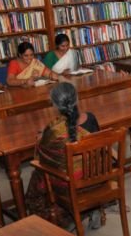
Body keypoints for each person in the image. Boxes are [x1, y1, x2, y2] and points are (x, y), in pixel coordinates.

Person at [25, 82, 101, 228]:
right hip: (95, 179)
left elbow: (42, 157)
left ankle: (66, 219)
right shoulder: (91, 118)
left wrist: (42, 137)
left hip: (69, 186)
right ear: (77, 99)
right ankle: (91, 210)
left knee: (38, 173)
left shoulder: (54, 131)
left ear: (54, 104)